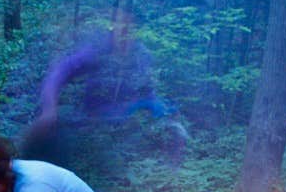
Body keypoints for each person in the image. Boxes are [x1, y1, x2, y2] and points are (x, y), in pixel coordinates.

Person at [23, 16, 183, 167]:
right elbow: (60, 72)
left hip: (133, 125)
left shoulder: (141, 54)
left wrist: (155, 107)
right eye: (122, 24)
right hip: (96, 124)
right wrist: (49, 110)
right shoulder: (99, 49)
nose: (125, 31)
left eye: (131, 26)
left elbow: (147, 89)